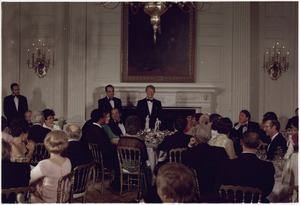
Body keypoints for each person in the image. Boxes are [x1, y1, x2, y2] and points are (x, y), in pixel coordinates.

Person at [215, 131, 275, 202]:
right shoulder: (267, 167)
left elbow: (218, 186)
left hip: (231, 202)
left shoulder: (227, 164)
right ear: (259, 144)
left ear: (241, 142)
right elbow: (267, 191)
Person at [183, 124, 228, 196]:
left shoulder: (189, 153)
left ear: (195, 137)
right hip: (218, 191)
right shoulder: (220, 151)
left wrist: (190, 146)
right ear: (209, 137)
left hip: (198, 192)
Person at [30, 130, 71, 203]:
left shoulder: (44, 164)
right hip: (64, 196)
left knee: (26, 195)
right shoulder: (68, 161)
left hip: (49, 198)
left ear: (47, 144)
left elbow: (29, 179)